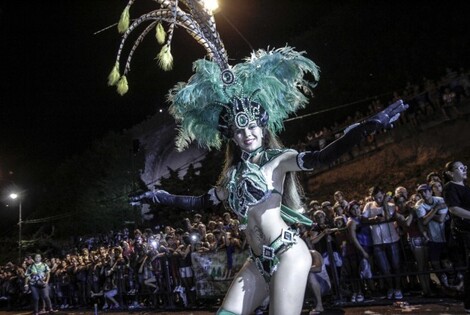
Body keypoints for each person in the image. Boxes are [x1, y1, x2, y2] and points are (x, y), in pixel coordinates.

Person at [109, 1, 407, 314]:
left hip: (288, 253)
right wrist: (158, 196)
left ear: (262, 127)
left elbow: (321, 158)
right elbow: (199, 203)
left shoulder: (278, 160)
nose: (247, 134)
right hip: (257, 262)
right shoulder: (232, 176)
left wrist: (364, 128)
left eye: (252, 126)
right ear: (231, 137)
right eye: (239, 131)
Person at [442, 161, 470, 313]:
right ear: (450, 173)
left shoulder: (465, 187)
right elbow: (454, 209)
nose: (465, 169)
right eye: (460, 167)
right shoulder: (450, 187)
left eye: (465, 166)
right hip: (463, 233)